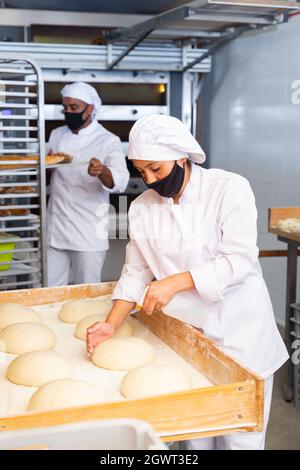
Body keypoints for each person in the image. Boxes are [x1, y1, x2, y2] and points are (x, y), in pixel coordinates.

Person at [86, 114, 289, 450]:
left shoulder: (227, 188)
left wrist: (177, 282)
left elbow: (239, 260)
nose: (149, 180)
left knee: (240, 440)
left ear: (180, 156)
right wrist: (111, 324)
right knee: (196, 437)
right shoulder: (141, 208)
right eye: (141, 171)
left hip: (241, 333)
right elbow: (135, 273)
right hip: (189, 337)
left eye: (156, 169)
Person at [46, 82, 129, 286]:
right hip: (56, 226)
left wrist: (102, 171)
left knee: (87, 290)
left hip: (88, 230)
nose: (68, 112)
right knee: (50, 289)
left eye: (74, 108)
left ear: (90, 108)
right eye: (65, 108)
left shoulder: (107, 140)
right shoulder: (57, 134)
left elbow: (120, 180)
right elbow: (48, 169)